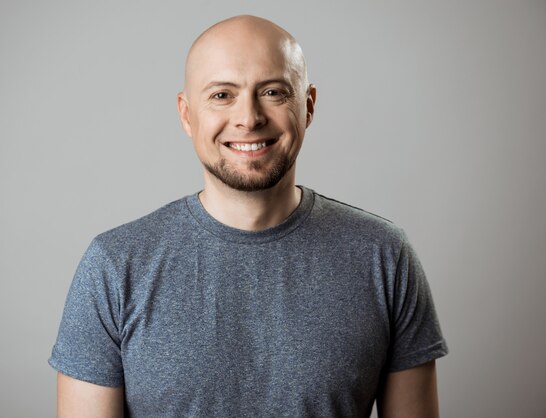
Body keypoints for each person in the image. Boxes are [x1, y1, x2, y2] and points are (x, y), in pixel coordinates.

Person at [49, 15, 448, 418]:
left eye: (273, 92)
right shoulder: (115, 266)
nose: (249, 118)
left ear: (307, 106)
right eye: (222, 95)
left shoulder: (384, 256)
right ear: (187, 115)